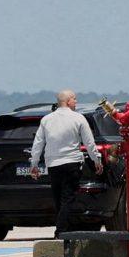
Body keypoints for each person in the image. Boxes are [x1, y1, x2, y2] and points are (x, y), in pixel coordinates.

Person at [30, 89, 101, 235]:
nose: (76, 102)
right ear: (68, 101)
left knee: (58, 198)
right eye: (74, 99)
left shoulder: (46, 119)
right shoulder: (79, 118)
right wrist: (96, 160)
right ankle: (62, 231)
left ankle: (63, 228)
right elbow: (89, 143)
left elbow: (38, 143)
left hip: (53, 164)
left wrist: (34, 164)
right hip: (72, 163)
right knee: (68, 198)